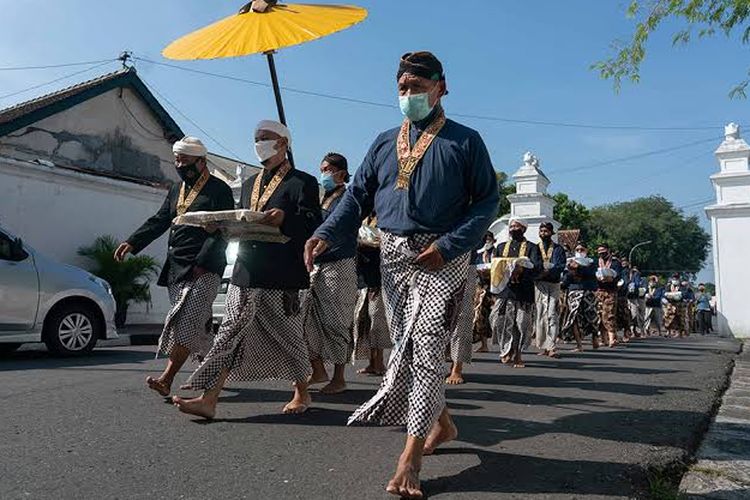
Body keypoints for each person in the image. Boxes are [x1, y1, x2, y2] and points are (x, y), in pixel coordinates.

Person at [303, 51, 499, 499]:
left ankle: (409, 457)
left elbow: (487, 203)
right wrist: (326, 232)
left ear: (440, 88)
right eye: (402, 88)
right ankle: (444, 423)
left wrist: (449, 245)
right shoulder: (383, 141)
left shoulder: (466, 142)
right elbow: (356, 197)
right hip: (392, 252)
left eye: (416, 86)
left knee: (425, 344)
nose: (408, 95)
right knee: (405, 345)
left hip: (442, 253)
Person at [172, 120, 321, 418]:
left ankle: (302, 392)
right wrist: (220, 227)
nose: (259, 143)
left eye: (265, 138)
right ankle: (209, 398)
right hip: (246, 269)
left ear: (283, 143)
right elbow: (244, 223)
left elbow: (312, 224)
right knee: (230, 332)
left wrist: (284, 219)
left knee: (289, 335)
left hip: (281, 273)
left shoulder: (302, 182)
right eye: (256, 138)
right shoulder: (250, 183)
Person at [114, 137, 234, 397]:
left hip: (205, 267)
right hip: (177, 267)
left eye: (185, 160)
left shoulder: (219, 190)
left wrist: (202, 263)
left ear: (201, 162)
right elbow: (160, 220)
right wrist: (133, 242)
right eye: (177, 159)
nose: (180, 164)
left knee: (187, 321)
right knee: (199, 325)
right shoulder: (176, 189)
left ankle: (166, 378)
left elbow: (222, 230)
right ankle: (214, 368)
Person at [304, 152, 358, 394]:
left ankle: (339, 377)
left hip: (340, 262)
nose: (323, 173)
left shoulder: (350, 197)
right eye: (322, 169)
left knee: (337, 321)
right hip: (316, 263)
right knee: (307, 318)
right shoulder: (321, 198)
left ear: (341, 173)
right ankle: (317, 368)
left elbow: (344, 227)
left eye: (327, 169)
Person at [490, 218, 542, 367]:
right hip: (504, 291)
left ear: (524, 229)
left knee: (521, 323)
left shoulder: (532, 247)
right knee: (500, 322)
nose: (513, 228)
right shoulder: (500, 247)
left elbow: (536, 268)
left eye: (517, 226)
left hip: (523, 291)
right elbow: (494, 267)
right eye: (511, 226)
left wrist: (521, 270)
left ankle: (518, 354)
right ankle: (506, 350)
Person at [352, 214, 391, 376]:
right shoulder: (364, 218)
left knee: (377, 317)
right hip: (364, 274)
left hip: (380, 273)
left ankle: (379, 361)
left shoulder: (386, 217)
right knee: (364, 319)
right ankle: (371, 362)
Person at [446, 246, 480, 385]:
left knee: (462, 317)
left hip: (466, 265)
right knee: (435, 319)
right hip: (437, 263)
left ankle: (457, 367)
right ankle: (431, 367)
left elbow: (478, 239)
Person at [533, 221, 566, 358]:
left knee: (552, 313)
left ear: (551, 233)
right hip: (540, 284)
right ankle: (544, 346)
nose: (543, 233)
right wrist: (540, 271)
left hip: (553, 283)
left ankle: (552, 345)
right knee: (540, 315)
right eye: (541, 231)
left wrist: (549, 271)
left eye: (546, 231)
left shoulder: (558, 249)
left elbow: (560, 265)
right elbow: (533, 264)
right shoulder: (535, 248)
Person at [560, 242, 600, 351]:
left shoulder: (592, 262)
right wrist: (570, 270)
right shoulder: (571, 262)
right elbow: (566, 279)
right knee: (574, 318)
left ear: (586, 251)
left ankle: (595, 337)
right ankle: (579, 345)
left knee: (591, 317)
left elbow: (591, 273)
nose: (579, 252)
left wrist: (579, 268)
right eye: (577, 250)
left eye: (581, 249)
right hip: (574, 292)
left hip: (588, 291)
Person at [473, 231, 498, 353]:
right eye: (485, 239)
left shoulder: (497, 253)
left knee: (498, 316)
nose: (487, 242)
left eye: (489, 239)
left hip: (497, 288)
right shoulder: (479, 255)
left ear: (494, 240)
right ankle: (484, 344)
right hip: (482, 288)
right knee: (481, 316)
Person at [595, 243, 622, 347]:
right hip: (599, 291)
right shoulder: (596, 262)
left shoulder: (615, 262)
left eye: (603, 251)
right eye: (599, 252)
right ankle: (603, 338)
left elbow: (618, 275)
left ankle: (612, 338)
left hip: (610, 291)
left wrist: (612, 279)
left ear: (608, 250)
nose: (601, 254)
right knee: (599, 315)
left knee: (609, 314)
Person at [626, 264, 645, 338]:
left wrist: (632, 285)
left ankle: (636, 330)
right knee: (627, 315)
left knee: (634, 314)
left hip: (633, 297)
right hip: (625, 296)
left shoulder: (636, 274)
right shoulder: (624, 273)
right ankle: (630, 331)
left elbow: (637, 284)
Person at [617, 258, 633, 342]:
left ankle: (626, 333)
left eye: (625, 261)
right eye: (622, 261)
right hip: (615, 294)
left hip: (622, 296)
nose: (623, 263)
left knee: (624, 315)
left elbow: (626, 282)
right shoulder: (617, 269)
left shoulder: (626, 271)